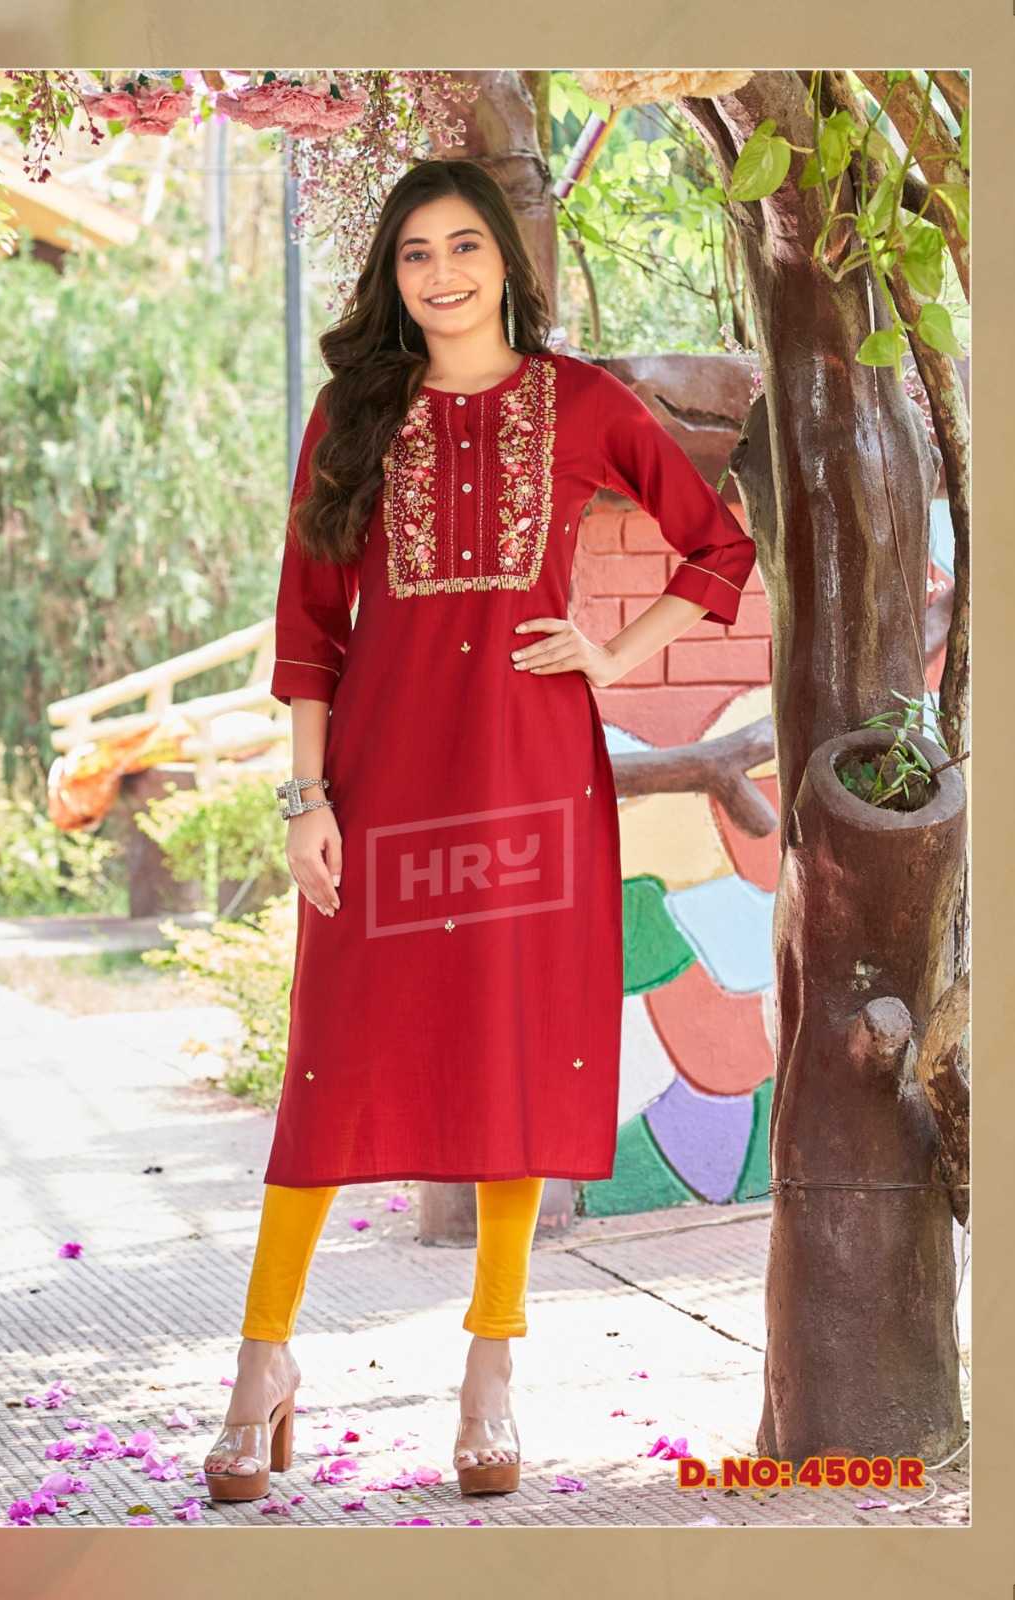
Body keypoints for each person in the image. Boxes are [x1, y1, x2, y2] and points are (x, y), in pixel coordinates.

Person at [203, 157, 757, 1503]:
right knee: (332, 1062)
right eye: (415, 255)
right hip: (384, 782)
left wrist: (615, 653)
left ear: (506, 258)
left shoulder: (582, 405)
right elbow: (308, 622)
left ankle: (490, 1368)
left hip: (529, 777)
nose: (441, 274)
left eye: (463, 247)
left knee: (516, 1050)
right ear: (391, 279)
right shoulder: (354, 413)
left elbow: (717, 554)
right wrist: (306, 799)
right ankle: (262, 1362)